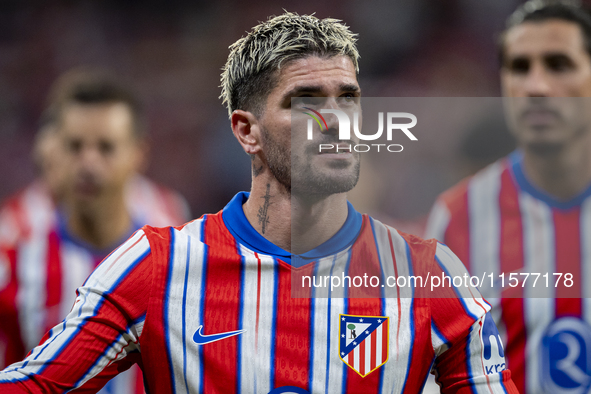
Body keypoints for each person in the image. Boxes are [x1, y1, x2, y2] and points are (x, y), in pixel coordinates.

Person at [0, 13, 517, 393]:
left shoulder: (429, 275)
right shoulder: (157, 267)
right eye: (305, 100)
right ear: (246, 131)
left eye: (349, 98)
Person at [425, 1, 591, 393]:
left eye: (558, 64)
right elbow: (440, 370)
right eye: (520, 67)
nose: (536, 85)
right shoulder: (460, 215)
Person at [0, 69, 190, 393]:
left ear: (138, 154)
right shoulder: (17, 257)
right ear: (53, 150)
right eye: (75, 147)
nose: (88, 163)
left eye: (105, 148)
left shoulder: (175, 242)